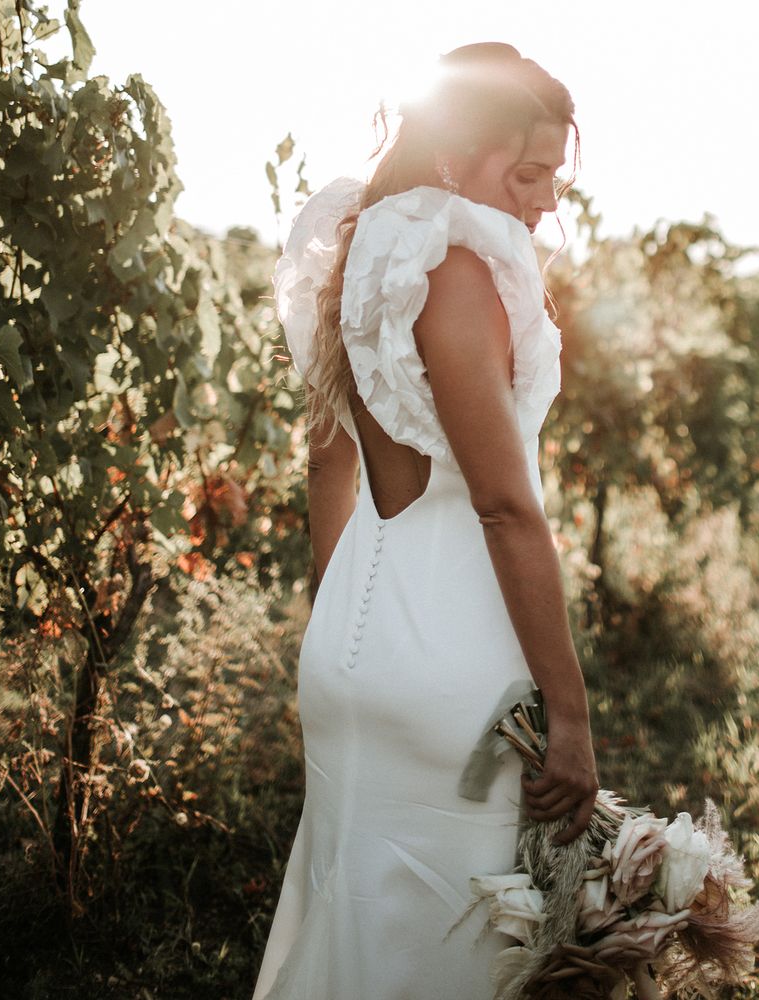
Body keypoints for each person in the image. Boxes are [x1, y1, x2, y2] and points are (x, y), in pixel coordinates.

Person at [252, 42, 599, 1000]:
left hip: (348, 651)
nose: (544, 203)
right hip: (457, 670)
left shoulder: (361, 253)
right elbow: (502, 506)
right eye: (527, 175)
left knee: (346, 913)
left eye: (553, 180)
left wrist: (343, 617)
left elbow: (329, 455)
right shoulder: (457, 271)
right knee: (452, 951)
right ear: (456, 155)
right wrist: (569, 716)